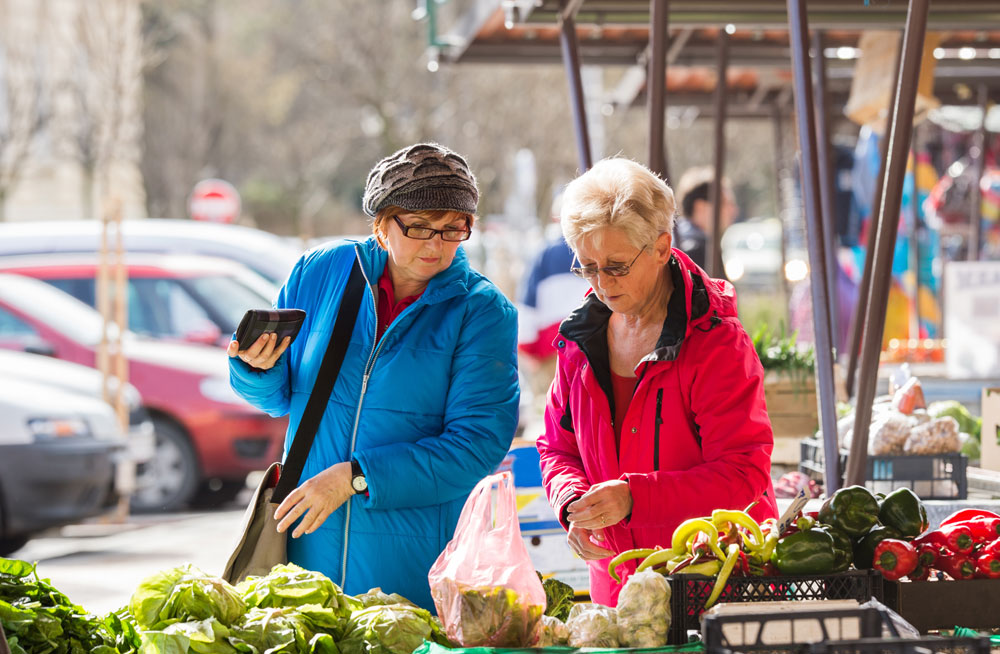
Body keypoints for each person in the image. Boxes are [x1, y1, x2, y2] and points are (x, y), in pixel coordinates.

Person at [228, 143, 520, 609]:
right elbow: (278, 397)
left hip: (411, 561)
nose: (436, 245)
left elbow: (476, 444)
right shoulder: (320, 271)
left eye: (453, 230)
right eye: (420, 227)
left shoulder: (482, 312)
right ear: (381, 224)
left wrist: (356, 476)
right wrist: (255, 368)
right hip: (307, 549)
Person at [535, 157, 778, 607]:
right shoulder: (580, 337)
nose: (602, 284)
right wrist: (572, 503)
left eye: (617, 266)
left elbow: (744, 472)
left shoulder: (715, 343)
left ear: (662, 246)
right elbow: (556, 446)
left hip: (714, 585)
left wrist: (636, 498)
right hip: (619, 588)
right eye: (586, 267)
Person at [672, 166, 738, 270]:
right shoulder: (695, 252)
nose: (733, 210)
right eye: (725, 203)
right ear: (700, 207)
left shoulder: (679, 240)